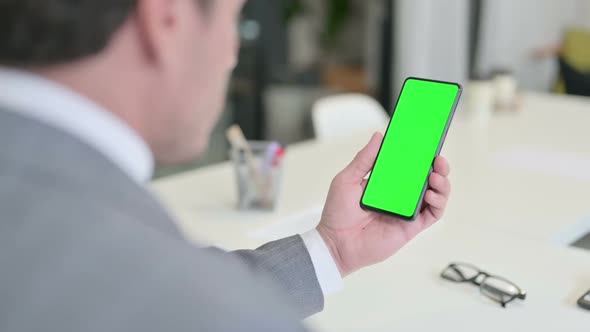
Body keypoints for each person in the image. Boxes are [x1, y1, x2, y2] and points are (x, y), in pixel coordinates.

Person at [0, 1, 452, 331]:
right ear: (167, 18)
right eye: (234, 19)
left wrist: (332, 250)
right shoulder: (218, 310)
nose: (232, 54)